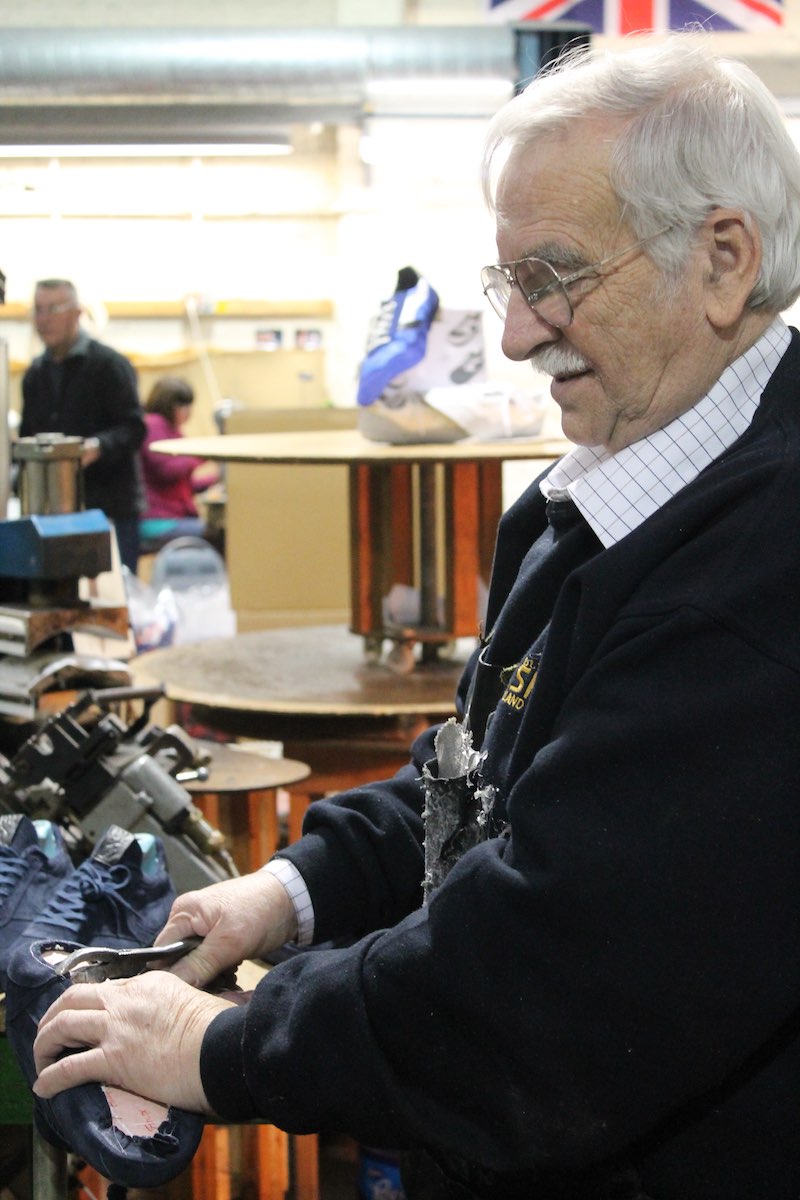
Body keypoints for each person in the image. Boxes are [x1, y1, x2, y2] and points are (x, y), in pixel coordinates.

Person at [30, 36, 800, 1200]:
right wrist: (285, 896)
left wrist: (217, 1047)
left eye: (553, 276)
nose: (515, 336)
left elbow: (543, 999)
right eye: (508, 283)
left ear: (721, 260)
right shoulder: (597, 498)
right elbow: (480, 780)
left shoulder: (759, 582)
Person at [20, 278, 146, 573]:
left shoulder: (109, 366)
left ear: (77, 313)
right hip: (54, 516)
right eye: (38, 310)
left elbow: (134, 428)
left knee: (113, 601)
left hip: (109, 510)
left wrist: (97, 447)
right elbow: (28, 436)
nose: (43, 319)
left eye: (53, 309)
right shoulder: (35, 374)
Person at [139, 376, 221, 550]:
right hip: (157, 520)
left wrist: (217, 478)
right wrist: (201, 454)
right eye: (183, 406)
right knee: (218, 535)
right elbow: (167, 470)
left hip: (172, 517)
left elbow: (186, 486)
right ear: (168, 405)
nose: (188, 412)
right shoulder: (153, 424)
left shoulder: (172, 431)